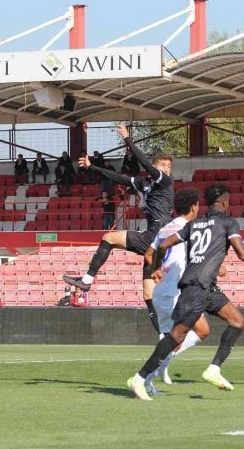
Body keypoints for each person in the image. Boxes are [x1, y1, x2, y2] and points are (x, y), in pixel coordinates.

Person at [126, 184, 244, 400]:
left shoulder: (194, 224)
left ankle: (214, 369)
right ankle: (139, 379)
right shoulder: (227, 222)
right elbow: (243, 255)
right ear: (223, 200)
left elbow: (162, 245)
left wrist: (156, 268)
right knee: (177, 336)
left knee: (238, 321)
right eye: (228, 198)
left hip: (207, 287)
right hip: (195, 287)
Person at [63, 123, 174, 337]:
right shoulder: (145, 183)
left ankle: (86, 280)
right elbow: (119, 178)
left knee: (109, 237)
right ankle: (165, 338)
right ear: (155, 165)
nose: (166, 169)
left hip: (158, 235)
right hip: (155, 240)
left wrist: (128, 139)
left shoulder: (164, 181)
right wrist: (92, 166)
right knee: (148, 293)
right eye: (163, 164)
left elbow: (144, 163)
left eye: (168, 165)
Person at [140, 188, 211, 396]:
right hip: (175, 292)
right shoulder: (190, 229)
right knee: (199, 332)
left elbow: (149, 254)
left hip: (161, 291)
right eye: (197, 205)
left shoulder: (165, 228)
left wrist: (157, 269)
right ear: (192, 207)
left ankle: (149, 377)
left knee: (172, 339)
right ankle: (147, 376)